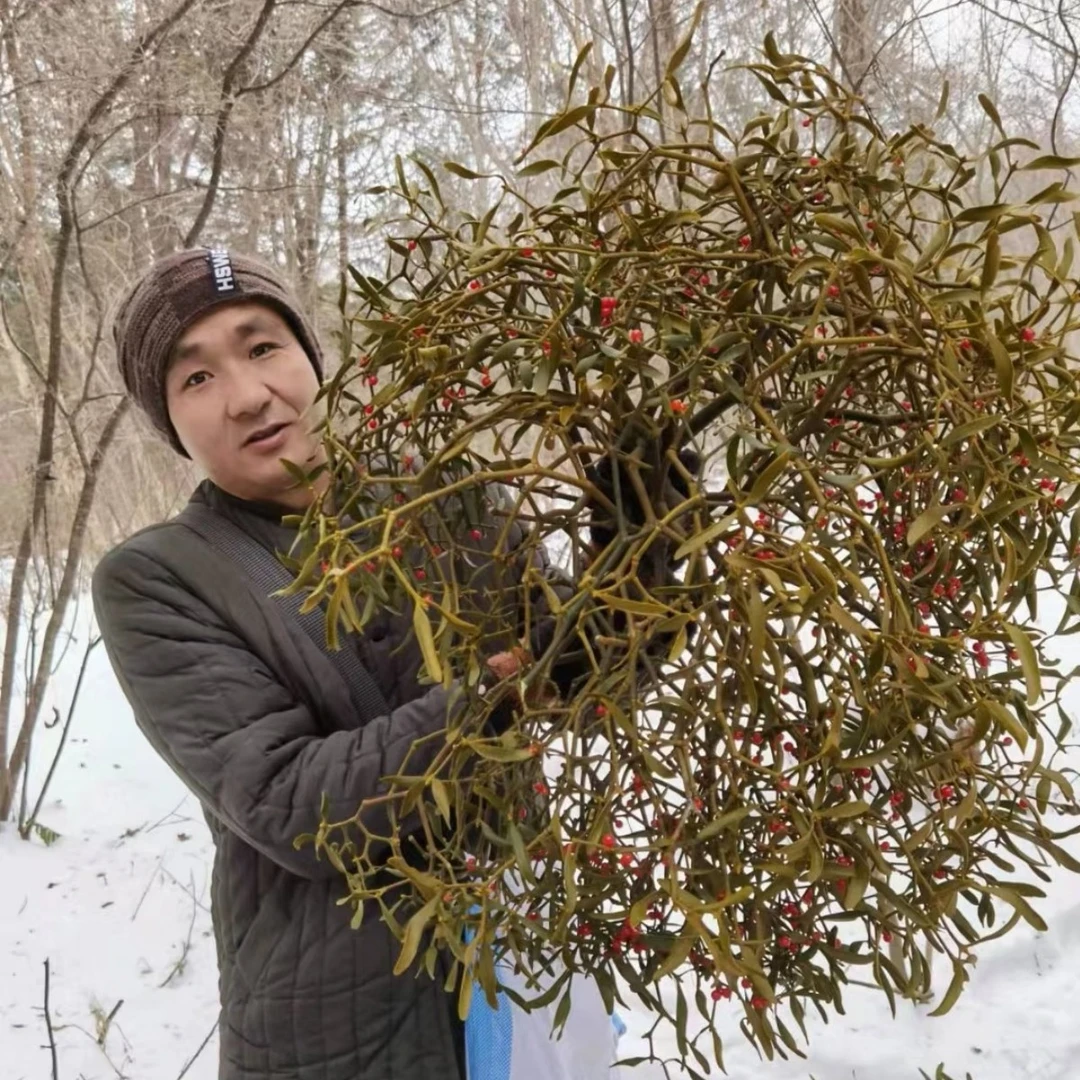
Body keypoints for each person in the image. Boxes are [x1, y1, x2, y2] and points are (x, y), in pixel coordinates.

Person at [92, 248, 599, 1080]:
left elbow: (581, 674)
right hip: (337, 1035)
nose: (248, 395)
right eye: (196, 378)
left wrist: (635, 573)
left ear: (311, 356)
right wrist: (500, 695)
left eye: (262, 347)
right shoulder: (159, 577)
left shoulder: (445, 496)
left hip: (517, 985)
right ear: (170, 425)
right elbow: (292, 801)